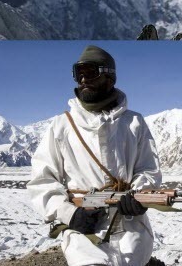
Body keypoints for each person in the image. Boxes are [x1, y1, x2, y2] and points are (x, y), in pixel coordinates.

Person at [28, 45, 162, 266]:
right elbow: (43, 180)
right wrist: (70, 215)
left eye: (91, 73)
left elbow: (148, 168)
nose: (83, 80)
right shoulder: (61, 126)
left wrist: (139, 196)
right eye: (78, 74)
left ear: (109, 77)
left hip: (132, 232)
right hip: (85, 235)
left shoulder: (134, 123)